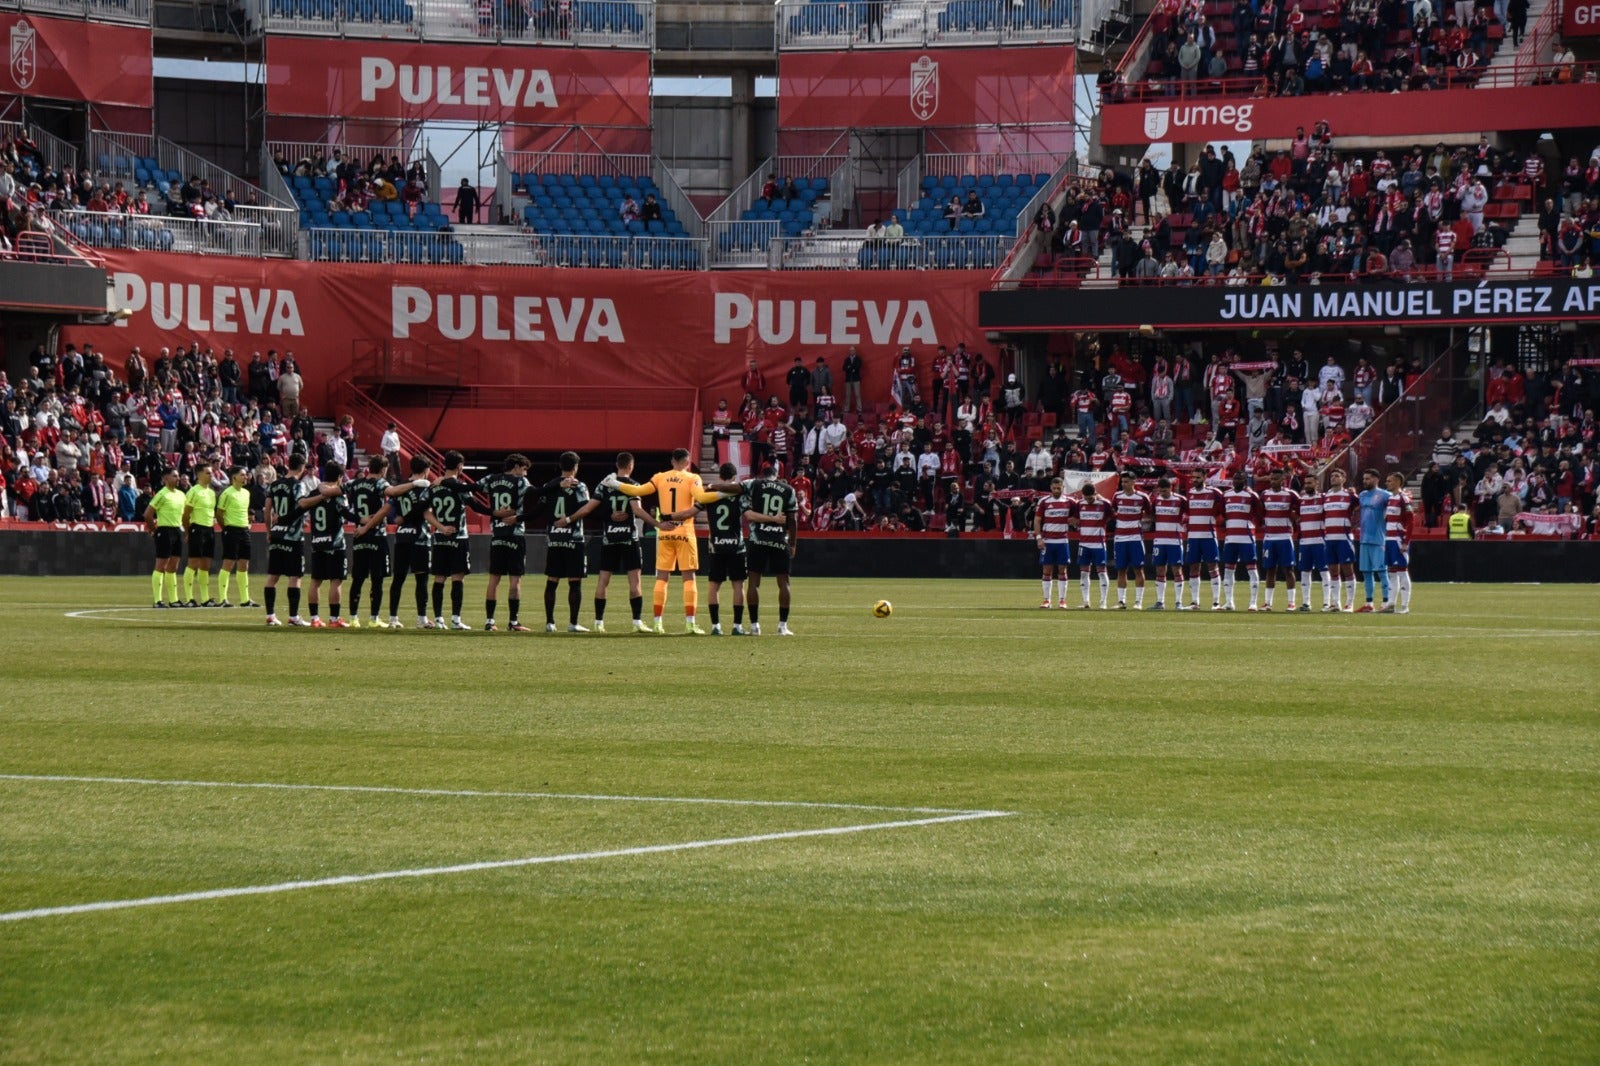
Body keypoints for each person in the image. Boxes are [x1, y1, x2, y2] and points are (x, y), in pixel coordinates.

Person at [609, 448, 708, 634]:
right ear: (687, 462)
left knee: (662, 577)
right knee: (688, 578)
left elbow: (638, 490)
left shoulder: (660, 477)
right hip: (684, 531)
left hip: (665, 532)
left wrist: (615, 484)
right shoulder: (693, 478)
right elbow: (701, 498)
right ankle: (690, 623)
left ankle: (657, 622)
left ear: (672, 461)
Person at [661, 462, 767, 635]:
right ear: (734, 477)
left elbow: (688, 513)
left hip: (716, 546)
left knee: (713, 586)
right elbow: (748, 515)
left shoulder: (709, 494)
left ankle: (715, 626)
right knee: (738, 586)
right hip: (736, 546)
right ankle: (737, 626)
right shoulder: (739, 494)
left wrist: (668, 516)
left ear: (720, 476)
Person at [585, 452, 662, 633]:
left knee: (603, 580)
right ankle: (637, 623)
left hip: (609, 538)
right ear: (630, 466)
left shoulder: (603, 486)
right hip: (629, 539)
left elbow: (591, 509)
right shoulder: (633, 485)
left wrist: (607, 515)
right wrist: (657, 524)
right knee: (634, 582)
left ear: (617, 465)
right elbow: (638, 510)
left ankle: (598, 623)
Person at [303, 461, 381, 628]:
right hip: (335, 544)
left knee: (315, 580)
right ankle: (333, 619)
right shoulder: (337, 495)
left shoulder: (314, 493)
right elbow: (344, 512)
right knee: (335, 580)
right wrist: (362, 520)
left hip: (317, 542)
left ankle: (314, 618)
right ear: (339, 477)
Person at [346, 455, 419, 627]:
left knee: (358, 578)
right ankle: (373, 618)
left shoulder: (354, 483)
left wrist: (357, 518)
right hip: (377, 535)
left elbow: (336, 494)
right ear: (383, 469)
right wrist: (415, 484)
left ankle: (353, 618)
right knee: (377, 579)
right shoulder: (380, 483)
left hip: (359, 535)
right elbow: (393, 492)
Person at [425, 450, 492, 630]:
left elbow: (425, 511)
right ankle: (455, 619)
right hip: (459, 537)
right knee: (458, 577)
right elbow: (476, 506)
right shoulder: (459, 486)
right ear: (460, 466)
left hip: (439, 537)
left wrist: (440, 527)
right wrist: (497, 514)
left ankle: (439, 619)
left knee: (439, 578)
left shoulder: (434, 486)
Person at [735, 463, 800, 636]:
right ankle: (782, 626)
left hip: (758, 539)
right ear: (776, 475)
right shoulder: (788, 489)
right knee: (784, 583)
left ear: (762, 475)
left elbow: (737, 491)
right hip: (779, 540)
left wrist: (711, 486)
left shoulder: (755, 484)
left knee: (754, 582)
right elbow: (792, 520)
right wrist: (793, 544)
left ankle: (755, 626)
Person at [263, 453, 323, 626]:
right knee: (295, 576)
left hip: (277, 534)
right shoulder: (299, 485)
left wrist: (269, 530)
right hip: (293, 536)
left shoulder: (274, 485)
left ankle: (270, 615)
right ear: (302, 467)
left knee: (273, 576)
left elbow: (267, 510)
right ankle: (294, 616)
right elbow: (302, 504)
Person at [479, 453, 534, 633]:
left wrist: (492, 512)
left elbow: (471, 488)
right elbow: (538, 494)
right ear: (517, 467)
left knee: (494, 579)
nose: (525, 474)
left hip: (497, 535)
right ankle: (513, 622)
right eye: (524, 469)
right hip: (515, 534)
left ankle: (489, 621)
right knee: (515, 580)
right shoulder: (520, 482)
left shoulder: (491, 479)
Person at [541, 451, 593, 633]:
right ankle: (573, 623)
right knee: (575, 582)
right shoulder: (579, 486)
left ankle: (550, 622)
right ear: (575, 467)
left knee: (552, 580)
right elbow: (586, 509)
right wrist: (570, 519)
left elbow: (543, 508)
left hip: (554, 538)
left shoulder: (550, 485)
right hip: (574, 538)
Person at [387, 456, 435, 629]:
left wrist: (398, 519)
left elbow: (391, 510)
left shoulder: (401, 486)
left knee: (398, 579)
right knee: (421, 579)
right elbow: (424, 512)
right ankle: (422, 619)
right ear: (426, 470)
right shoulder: (425, 488)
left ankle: (393, 618)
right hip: (419, 538)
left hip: (401, 537)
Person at [215, 466, 258, 609]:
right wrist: (226, 528)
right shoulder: (227, 493)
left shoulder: (246, 493)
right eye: (243, 475)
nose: (246, 477)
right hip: (231, 530)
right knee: (228, 563)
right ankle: (222, 599)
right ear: (234, 477)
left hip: (244, 530)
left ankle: (245, 599)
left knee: (244, 564)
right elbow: (219, 513)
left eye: (246, 475)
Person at [1220, 471, 1262, 612]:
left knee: (1252, 569)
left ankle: (1253, 602)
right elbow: (1223, 514)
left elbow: (1259, 514)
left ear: (1245, 481)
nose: (1236, 480)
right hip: (1230, 538)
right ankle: (1229, 602)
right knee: (1228, 570)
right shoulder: (1226, 495)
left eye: (1240, 478)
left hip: (1247, 538)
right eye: (1235, 478)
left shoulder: (1251, 496)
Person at [1258, 468, 1299, 611]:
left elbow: (1297, 513)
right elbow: (1261, 513)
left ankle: (1291, 602)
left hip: (1284, 537)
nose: (1273, 481)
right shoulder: (1265, 495)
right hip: (1269, 538)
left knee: (1288, 569)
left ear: (1282, 480)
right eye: (1271, 479)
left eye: (1276, 479)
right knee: (1270, 570)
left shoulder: (1291, 495)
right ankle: (1268, 603)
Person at [1033, 476, 1076, 610]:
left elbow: (1079, 513)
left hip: (1062, 540)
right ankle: (1047, 600)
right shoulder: (1044, 501)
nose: (1057, 490)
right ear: (1050, 488)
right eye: (1054, 488)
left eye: (1059, 488)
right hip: (1048, 541)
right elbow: (1037, 521)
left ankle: (1062, 600)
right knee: (1047, 570)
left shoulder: (1070, 502)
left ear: (1063, 488)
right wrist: (1039, 538)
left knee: (1062, 570)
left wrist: (1073, 521)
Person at [144, 468, 186, 609]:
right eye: (174, 476)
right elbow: (148, 514)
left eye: (178, 475)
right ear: (166, 478)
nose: (177, 478)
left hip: (176, 530)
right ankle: (158, 600)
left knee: (173, 566)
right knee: (161, 566)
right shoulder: (162, 494)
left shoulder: (181, 494)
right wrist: (154, 530)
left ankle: (173, 600)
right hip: (164, 530)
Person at [1111, 472, 1151, 610]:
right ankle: (1121, 601)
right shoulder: (1117, 496)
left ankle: (1138, 601)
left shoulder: (1142, 497)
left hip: (1135, 537)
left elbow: (1149, 513)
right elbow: (1113, 511)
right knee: (1121, 570)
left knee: (1138, 569)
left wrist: (1140, 519)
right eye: (1122, 481)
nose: (1124, 484)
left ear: (1134, 481)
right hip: (1120, 538)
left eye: (1127, 481)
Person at [1182, 474, 1223, 610]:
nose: (1195, 480)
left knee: (1212, 567)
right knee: (1194, 567)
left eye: (1198, 477)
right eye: (1194, 478)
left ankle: (1216, 602)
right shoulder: (1190, 493)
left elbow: (1223, 508)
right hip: (1193, 536)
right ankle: (1195, 602)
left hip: (1208, 536)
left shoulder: (1214, 492)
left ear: (1204, 478)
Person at [181, 462, 219, 607]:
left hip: (209, 529)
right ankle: (189, 598)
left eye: (211, 473)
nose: (211, 475)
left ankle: (205, 599)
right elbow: (186, 515)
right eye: (208, 473)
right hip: (197, 528)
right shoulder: (193, 492)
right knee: (193, 563)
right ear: (199, 475)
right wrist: (188, 531)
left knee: (206, 565)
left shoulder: (211, 492)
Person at [1322, 467, 1359, 612]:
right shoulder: (1325, 496)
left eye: (1337, 476)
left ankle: (1349, 603)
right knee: (1333, 571)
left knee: (1348, 569)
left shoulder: (1349, 495)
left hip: (1344, 538)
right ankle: (1335, 603)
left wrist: (1354, 525)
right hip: (1330, 538)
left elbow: (1361, 508)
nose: (1334, 478)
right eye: (1332, 476)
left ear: (1343, 479)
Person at [1073, 479, 1113, 609]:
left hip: (1098, 543)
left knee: (1101, 571)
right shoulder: (1079, 504)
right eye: (1086, 497)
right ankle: (1086, 602)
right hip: (1084, 543)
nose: (1089, 500)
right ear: (1083, 495)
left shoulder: (1104, 503)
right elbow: (1077, 520)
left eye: (1091, 497)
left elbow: (1111, 517)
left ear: (1095, 493)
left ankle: (1103, 602)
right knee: (1084, 572)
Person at [1355, 468, 1391, 612]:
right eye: (1364, 479)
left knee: (1382, 571)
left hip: (1379, 539)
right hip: (1364, 539)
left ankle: (1386, 602)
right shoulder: (1362, 495)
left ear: (1376, 479)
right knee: (1366, 572)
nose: (1365, 481)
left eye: (1368, 479)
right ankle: (1369, 603)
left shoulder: (1385, 495)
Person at [1294, 480, 1333, 613]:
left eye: (1310, 483)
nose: (1307, 485)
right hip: (1305, 541)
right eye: (1306, 483)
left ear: (1317, 484)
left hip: (1320, 541)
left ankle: (1327, 603)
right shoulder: (1301, 500)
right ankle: (1306, 603)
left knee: (1324, 571)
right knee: (1305, 572)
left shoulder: (1323, 498)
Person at [1148, 477, 1187, 610]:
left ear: (1171, 488)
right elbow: (1152, 515)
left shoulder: (1180, 500)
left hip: (1175, 540)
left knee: (1176, 569)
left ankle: (1178, 602)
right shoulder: (1156, 500)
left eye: (1165, 491)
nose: (1163, 493)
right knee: (1159, 569)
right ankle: (1160, 602)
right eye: (1161, 491)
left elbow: (1188, 514)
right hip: (1159, 540)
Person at [1382, 471, 1415, 614]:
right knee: (1392, 573)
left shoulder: (1404, 499)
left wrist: (1406, 542)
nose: (1387, 483)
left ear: (1398, 482)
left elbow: (1411, 521)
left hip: (1398, 539)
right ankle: (1391, 603)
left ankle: (1405, 606)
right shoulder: (1390, 499)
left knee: (1402, 571)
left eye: (1390, 481)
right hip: (1389, 539)